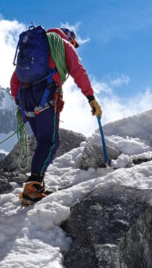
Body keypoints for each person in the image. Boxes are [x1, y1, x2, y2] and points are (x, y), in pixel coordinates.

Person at [11, 27, 100, 206]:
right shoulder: (62, 45)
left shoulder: (38, 48)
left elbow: (15, 79)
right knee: (50, 142)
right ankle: (33, 187)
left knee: (43, 142)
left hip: (27, 98)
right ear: (69, 38)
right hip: (45, 94)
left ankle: (36, 186)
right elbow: (78, 71)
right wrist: (91, 98)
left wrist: (19, 104)